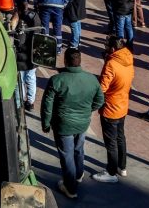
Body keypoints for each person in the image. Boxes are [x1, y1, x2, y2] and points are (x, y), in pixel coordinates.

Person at [41, 48, 105, 199]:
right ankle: (79, 174)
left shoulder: (57, 80)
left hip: (63, 125)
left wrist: (46, 123)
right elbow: (100, 100)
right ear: (80, 61)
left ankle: (70, 188)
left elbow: (47, 105)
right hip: (83, 123)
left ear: (66, 61)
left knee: (66, 155)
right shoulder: (92, 79)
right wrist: (87, 110)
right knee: (79, 148)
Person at [93, 36, 134, 183]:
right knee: (120, 137)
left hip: (111, 107)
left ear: (112, 49)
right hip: (123, 104)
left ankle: (111, 172)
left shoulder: (111, 64)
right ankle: (122, 167)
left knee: (111, 142)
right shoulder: (128, 59)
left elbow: (102, 87)